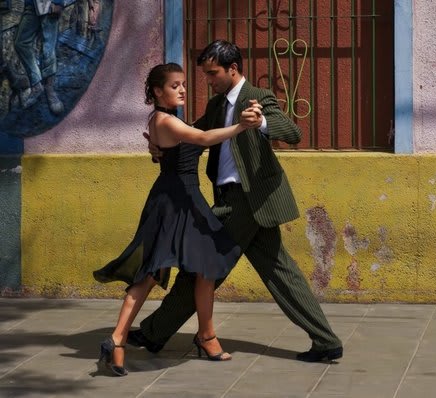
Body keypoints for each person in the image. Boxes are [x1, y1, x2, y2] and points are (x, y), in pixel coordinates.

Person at [130, 40, 343, 363]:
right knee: (281, 273)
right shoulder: (217, 106)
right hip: (243, 202)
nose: (208, 81)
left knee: (201, 268)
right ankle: (326, 341)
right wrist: (158, 148)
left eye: (212, 74)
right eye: (205, 74)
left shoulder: (257, 98)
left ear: (233, 69)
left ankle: (154, 332)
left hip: (244, 201)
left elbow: (292, 132)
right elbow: (188, 138)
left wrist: (262, 124)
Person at [93, 63, 262, 376]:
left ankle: (124, 341)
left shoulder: (161, 120)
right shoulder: (166, 121)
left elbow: (171, 150)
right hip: (176, 202)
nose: (182, 89)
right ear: (158, 91)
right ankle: (126, 338)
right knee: (157, 272)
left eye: (183, 84)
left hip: (180, 199)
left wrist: (156, 152)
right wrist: (241, 126)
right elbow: (203, 137)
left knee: (199, 267)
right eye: (174, 85)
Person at [14, 0, 65, 114]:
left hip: (51, 4)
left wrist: (59, 3)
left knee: (48, 48)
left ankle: (49, 88)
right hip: (32, 5)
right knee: (21, 43)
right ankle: (37, 84)